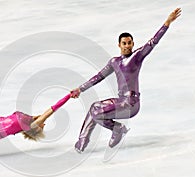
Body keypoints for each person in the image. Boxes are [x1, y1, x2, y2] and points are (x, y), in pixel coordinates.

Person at [70, 8, 182, 153]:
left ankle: (117, 129)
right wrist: (80, 89)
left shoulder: (137, 57)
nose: (127, 45)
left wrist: (167, 22)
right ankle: (83, 140)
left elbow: (153, 42)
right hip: (121, 101)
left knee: (96, 112)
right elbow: (98, 77)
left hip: (131, 103)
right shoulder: (114, 62)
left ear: (133, 44)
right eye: (124, 43)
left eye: (130, 43)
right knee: (94, 108)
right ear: (119, 45)